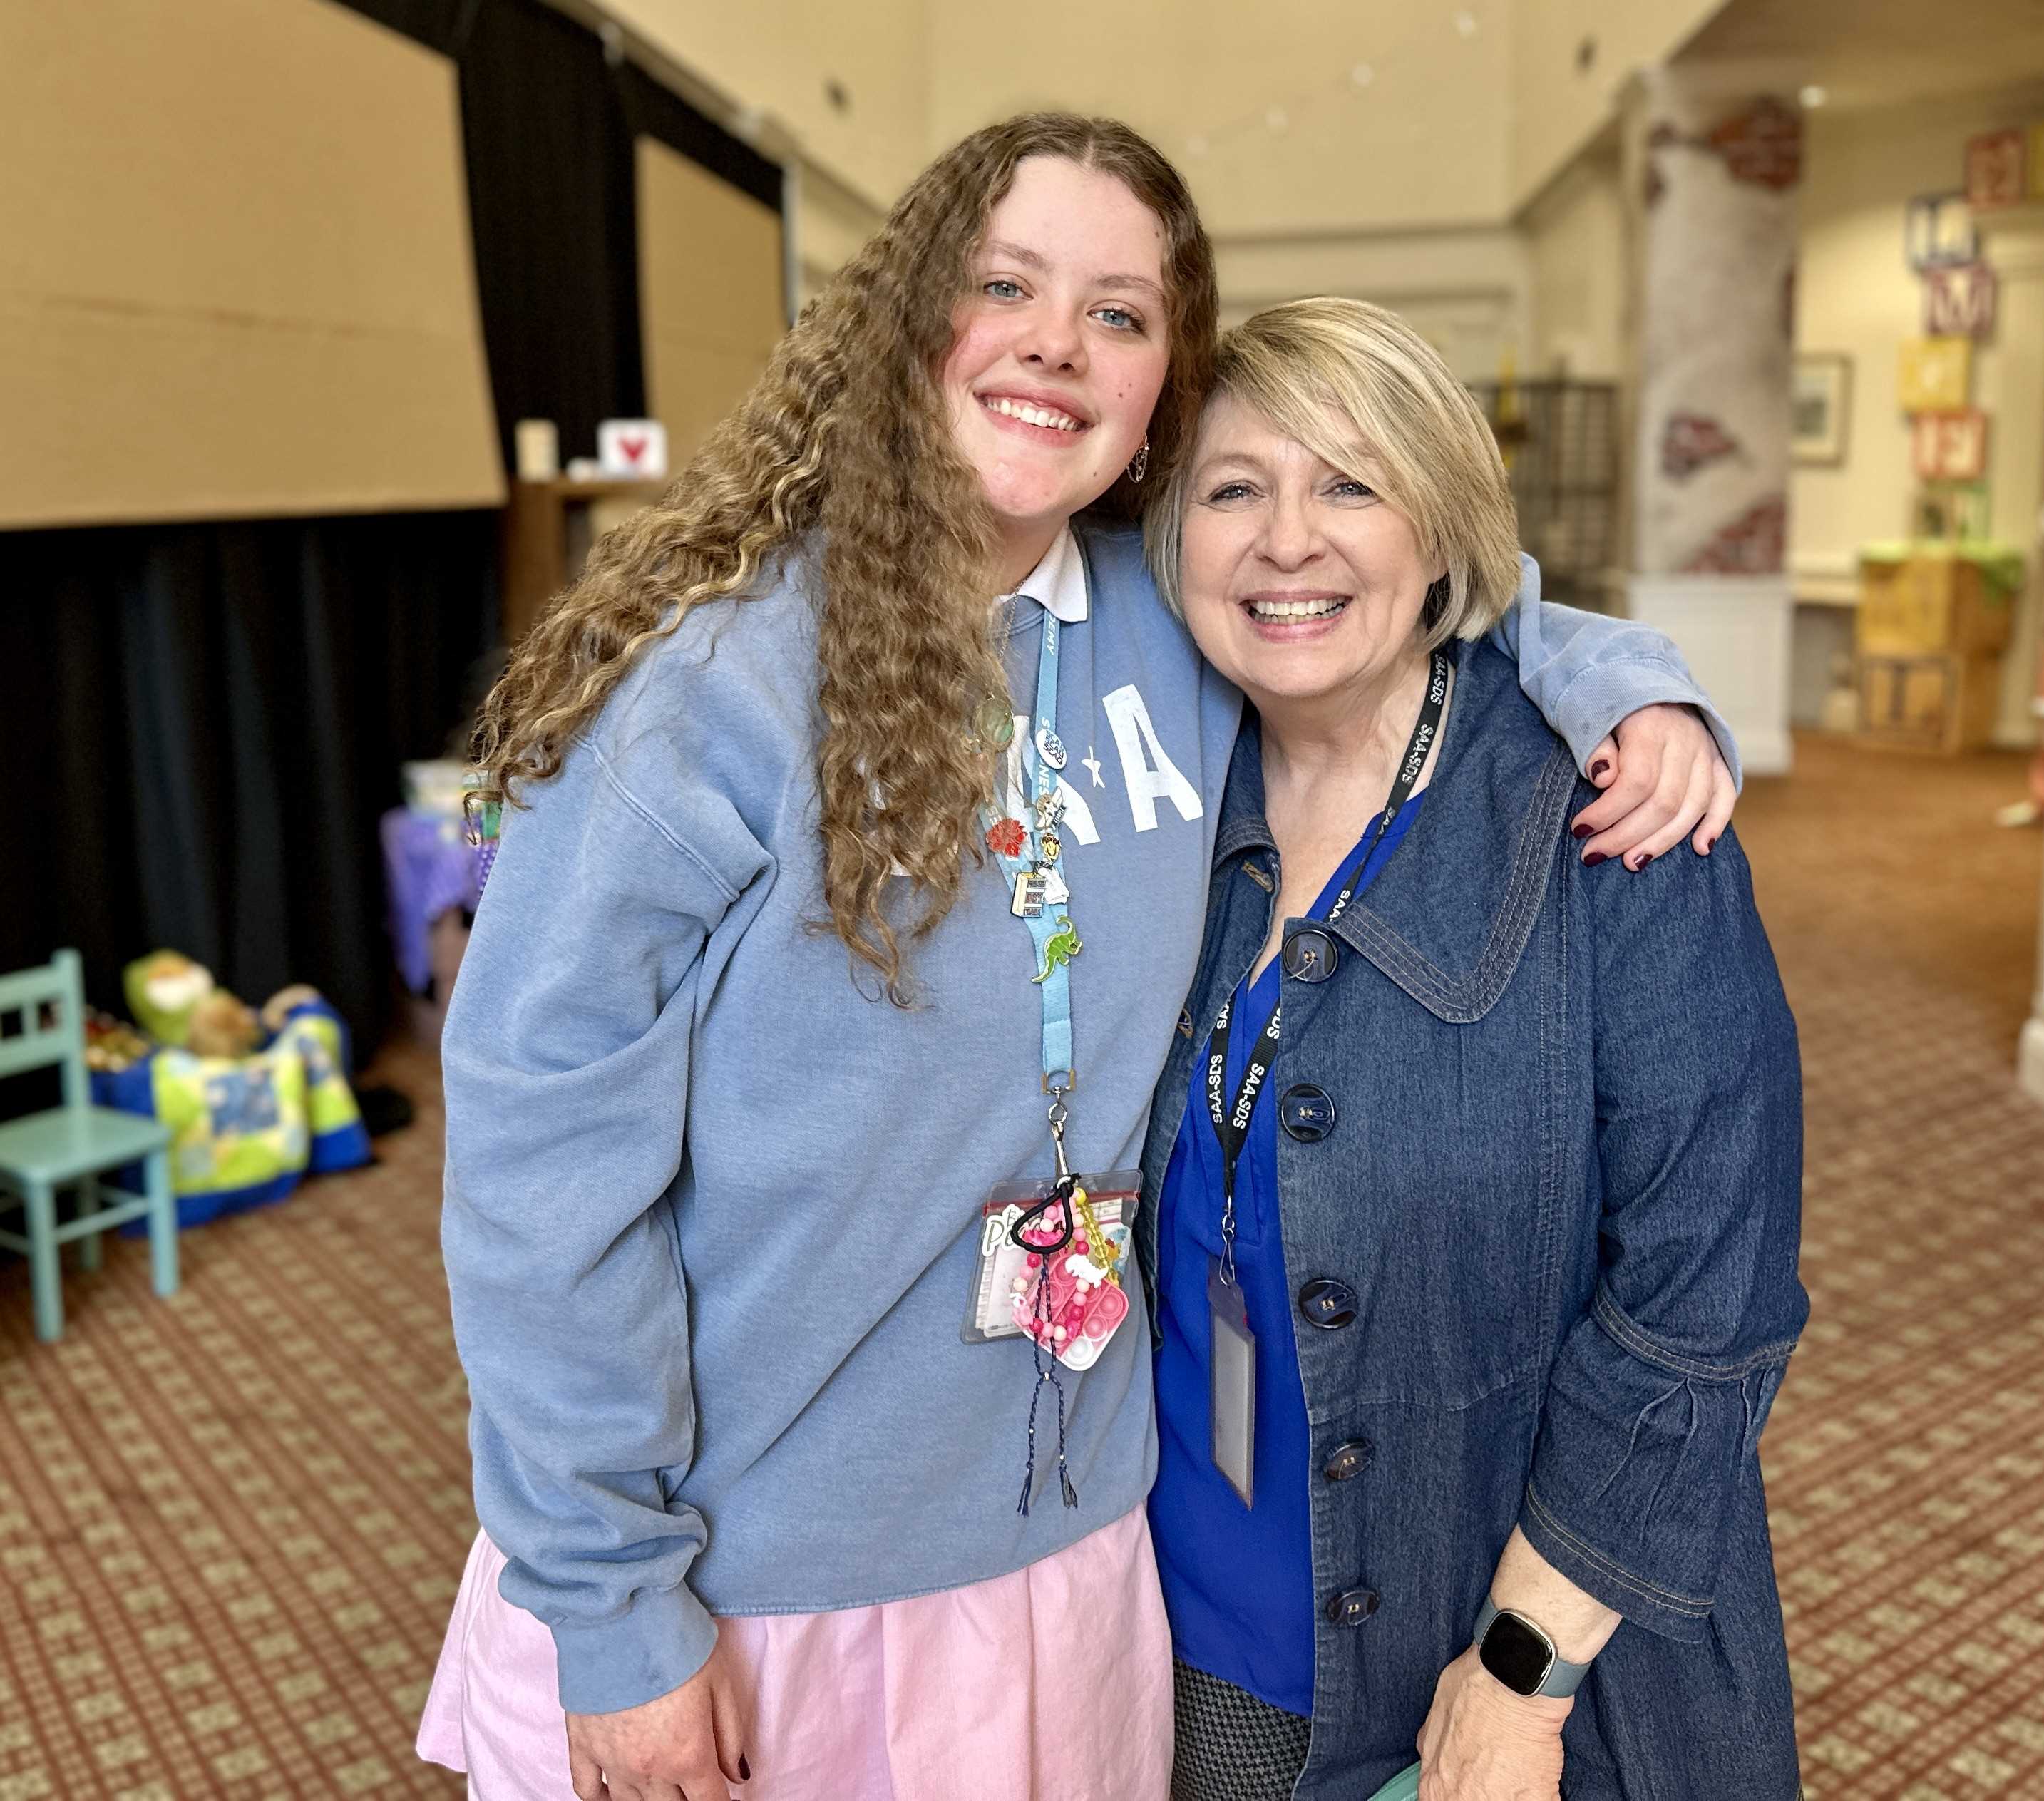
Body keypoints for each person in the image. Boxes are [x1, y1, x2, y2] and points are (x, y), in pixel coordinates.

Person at [414, 116, 1742, 1801]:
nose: (1055, 342)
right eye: (1003, 287)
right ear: (903, 322)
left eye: (1116, 313)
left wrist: (1623, 677)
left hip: (1071, 1555)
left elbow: (1406, 580)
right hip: (754, 1575)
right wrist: (612, 1605)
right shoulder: (706, 693)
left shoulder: (1173, 629)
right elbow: (539, 1186)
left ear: (1157, 398)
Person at [1141, 297, 1805, 1801]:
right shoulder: (1153, 804)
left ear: (1441, 530)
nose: (1286, 541)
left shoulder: (1612, 816)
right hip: (1196, 1641)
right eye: (1234, 489)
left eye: (1350, 485)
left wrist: (1520, 1677)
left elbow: (1710, 1300)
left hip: (1518, 1669)